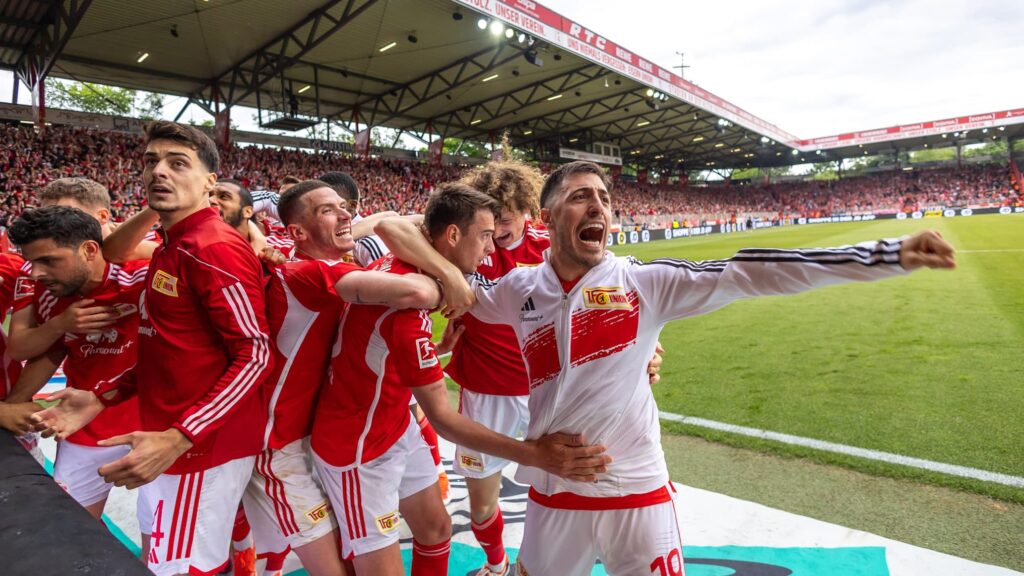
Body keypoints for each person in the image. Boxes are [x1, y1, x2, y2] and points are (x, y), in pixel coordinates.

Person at [464, 161, 956, 575]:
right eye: (580, 197)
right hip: (554, 494)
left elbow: (749, 271)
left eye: (605, 198)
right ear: (547, 217)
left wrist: (884, 253)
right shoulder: (520, 289)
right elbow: (459, 291)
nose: (598, 206)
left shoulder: (643, 282)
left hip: (638, 493)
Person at [311, 182, 611, 576]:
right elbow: (443, 418)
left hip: (395, 423)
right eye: (485, 236)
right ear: (453, 235)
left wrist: (438, 344)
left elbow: (377, 348)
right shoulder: (410, 298)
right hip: (358, 445)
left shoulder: (411, 265)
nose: (491, 249)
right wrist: (535, 455)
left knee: (437, 530)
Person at [33, 121, 273, 576]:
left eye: (177, 163)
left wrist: (181, 436)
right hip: (170, 436)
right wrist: (103, 395)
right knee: (167, 562)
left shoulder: (213, 247)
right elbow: (170, 349)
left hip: (199, 446)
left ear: (209, 182)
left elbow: (255, 354)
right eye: (151, 161)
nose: (159, 171)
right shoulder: (170, 246)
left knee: (181, 569)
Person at [242, 179, 442, 576]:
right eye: (327, 210)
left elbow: (386, 221)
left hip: (312, 434)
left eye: (344, 206)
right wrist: (450, 279)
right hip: (277, 445)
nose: (346, 213)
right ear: (297, 232)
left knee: (354, 557)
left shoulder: (315, 263)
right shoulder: (310, 273)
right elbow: (415, 293)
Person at [6, 206, 150, 532]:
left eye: (48, 261)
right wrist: (13, 405)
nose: (35, 273)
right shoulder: (48, 296)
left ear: (88, 250)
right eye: (31, 261)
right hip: (82, 430)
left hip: (152, 428)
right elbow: (52, 351)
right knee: (67, 531)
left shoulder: (144, 277)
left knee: (162, 547)